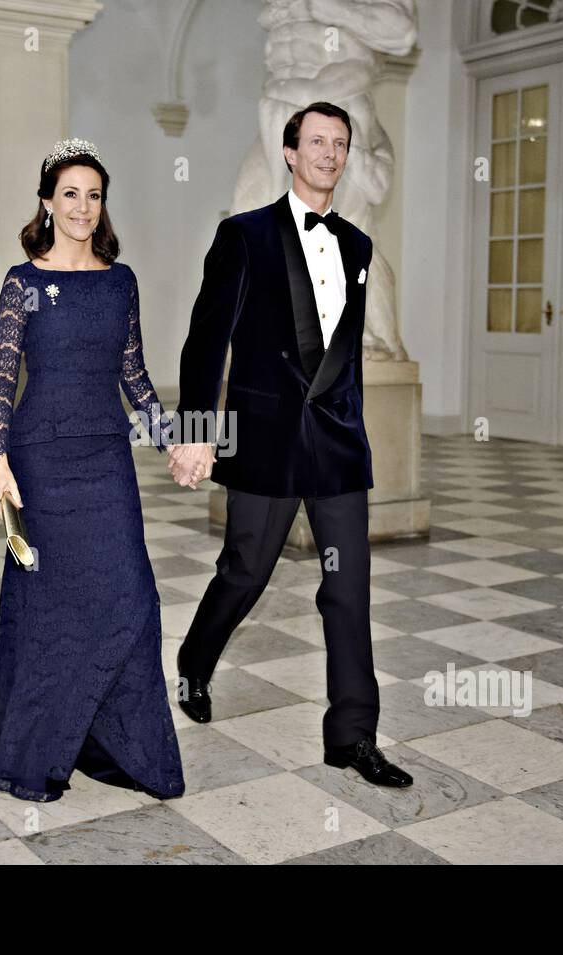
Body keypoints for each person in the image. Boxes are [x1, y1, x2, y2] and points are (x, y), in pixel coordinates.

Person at [0, 139, 184, 803]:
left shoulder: (118, 280)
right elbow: (3, 379)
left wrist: (173, 440)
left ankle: (123, 745)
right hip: (40, 459)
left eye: (94, 194)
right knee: (50, 608)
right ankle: (39, 753)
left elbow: (133, 373)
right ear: (47, 201)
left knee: (133, 600)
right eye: (70, 193)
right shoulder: (24, 282)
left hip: (106, 460)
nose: (83, 206)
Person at [168, 102, 412, 789]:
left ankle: (353, 735)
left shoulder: (360, 249)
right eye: (317, 142)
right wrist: (195, 432)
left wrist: (355, 431)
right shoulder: (243, 236)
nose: (330, 153)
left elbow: (343, 360)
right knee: (245, 572)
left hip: (335, 447)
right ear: (289, 150)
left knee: (349, 587)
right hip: (266, 441)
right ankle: (195, 658)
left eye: (340, 143)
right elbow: (206, 340)